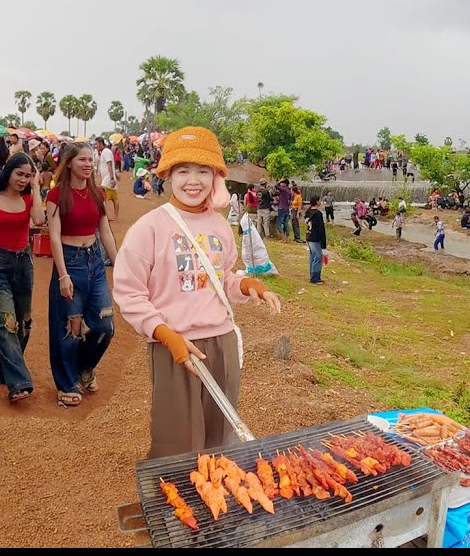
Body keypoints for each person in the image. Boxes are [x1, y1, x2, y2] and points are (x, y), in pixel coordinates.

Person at [113, 127, 283, 456]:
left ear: (215, 177)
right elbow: (129, 293)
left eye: (203, 171)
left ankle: (213, 497)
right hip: (174, 342)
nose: (193, 180)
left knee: (220, 433)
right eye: (183, 171)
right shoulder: (149, 227)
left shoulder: (219, 225)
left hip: (222, 340)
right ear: (167, 175)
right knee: (177, 436)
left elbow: (223, 279)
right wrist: (164, 334)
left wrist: (250, 286)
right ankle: (174, 498)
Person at [46, 142, 119, 408]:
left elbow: (106, 232)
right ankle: (66, 383)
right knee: (70, 327)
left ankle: (85, 368)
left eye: (91, 160)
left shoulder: (97, 193)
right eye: (82, 160)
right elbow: (54, 235)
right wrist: (63, 275)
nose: (88, 164)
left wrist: (118, 263)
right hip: (70, 261)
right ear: (69, 163)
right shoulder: (56, 196)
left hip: (95, 261)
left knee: (104, 326)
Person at [0, 153, 45, 403]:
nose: (23, 179)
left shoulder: (29, 198)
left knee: (24, 323)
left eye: (28, 176)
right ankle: (18, 382)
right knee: (6, 322)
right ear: (9, 172)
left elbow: (39, 220)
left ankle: (2, 367)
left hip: (24, 264)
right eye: (20, 174)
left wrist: (36, 188)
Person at [94, 137, 119, 222]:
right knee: (113, 198)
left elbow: (109, 165)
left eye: (96, 144)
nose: (95, 146)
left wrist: (112, 178)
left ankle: (106, 217)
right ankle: (114, 216)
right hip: (107, 178)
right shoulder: (105, 152)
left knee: (101, 197)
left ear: (101, 143)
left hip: (107, 179)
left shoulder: (106, 152)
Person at [304, 196, 326, 284]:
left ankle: (313, 276)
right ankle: (315, 278)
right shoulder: (317, 214)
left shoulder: (309, 212)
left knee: (312, 257)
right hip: (315, 238)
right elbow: (321, 229)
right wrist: (324, 243)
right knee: (317, 257)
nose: (321, 202)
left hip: (309, 236)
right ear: (317, 202)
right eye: (320, 200)